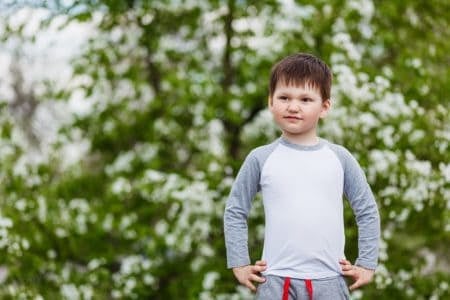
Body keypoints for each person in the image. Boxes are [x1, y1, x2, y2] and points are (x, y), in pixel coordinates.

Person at [223, 53, 380, 300]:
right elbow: (235, 210)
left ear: (325, 107)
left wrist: (367, 262)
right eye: (284, 97)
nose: (293, 106)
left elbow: (367, 210)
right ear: (271, 102)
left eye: (306, 99)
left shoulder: (340, 158)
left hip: (330, 283)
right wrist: (239, 263)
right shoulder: (260, 158)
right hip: (274, 281)